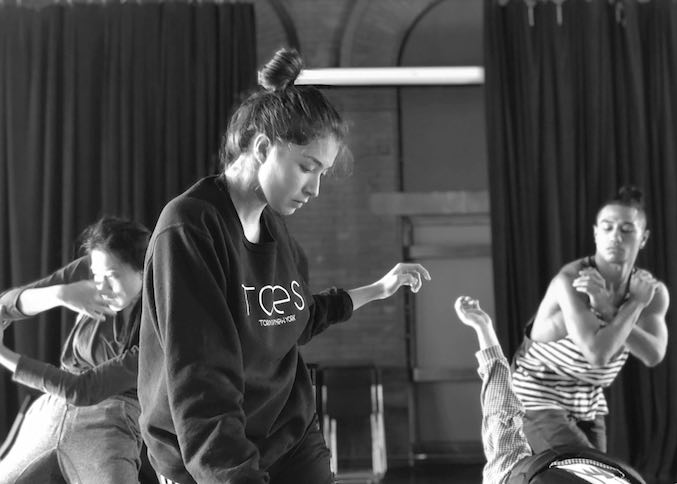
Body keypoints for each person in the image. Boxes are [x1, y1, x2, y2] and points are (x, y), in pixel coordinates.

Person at [137, 47, 431, 484]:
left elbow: (295, 318)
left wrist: (377, 289)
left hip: (289, 436)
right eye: (307, 168)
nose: (314, 189)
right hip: (210, 457)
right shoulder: (190, 228)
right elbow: (201, 382)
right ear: (261, 148)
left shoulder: (276, 230)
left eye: (323, 173)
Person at [511, 186, 669, 453]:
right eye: (606, 228)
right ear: (596, 233)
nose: (615, 237)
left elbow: (653, 354)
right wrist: (635, 305)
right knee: (586, 474)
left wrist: (613, 310)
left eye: (626, 230)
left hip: (587, 398)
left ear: (643, 238)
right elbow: (598, 353)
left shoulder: (649, 291)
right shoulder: (573, 281)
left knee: (601, 475)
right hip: (536, 394)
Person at [0, 216, 150, 484]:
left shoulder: (160, 316)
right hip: (51, 409)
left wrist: (3, 355)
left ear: (143, 270)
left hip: (111, 419)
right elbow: (5, 306)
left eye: (112, 277)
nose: (101, 286)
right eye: (96, 276)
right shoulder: (97, 267)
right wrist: (59, 293)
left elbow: (85, 389)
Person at [454, 295, 646, 484]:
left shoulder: (505, 473)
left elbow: (500, 405)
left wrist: (483, 327)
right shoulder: (507, 472)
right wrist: (483, 327)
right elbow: (500, 406)